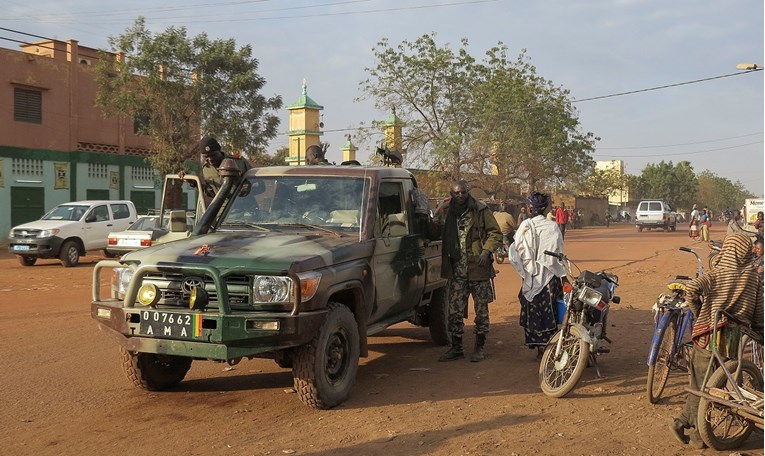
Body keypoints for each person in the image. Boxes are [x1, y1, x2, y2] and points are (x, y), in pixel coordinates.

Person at [670, 233, 764, 449]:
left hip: (708, 335)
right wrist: (759, 332)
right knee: (715, 385)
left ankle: (687, 425)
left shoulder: (717, 273)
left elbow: (691, 289)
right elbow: (759, 312)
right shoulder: (752, 277)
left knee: (701, 383)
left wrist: (699, 311)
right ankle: (692, 429)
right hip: (732, 339)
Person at [431, 180, 502, 363]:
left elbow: (495, 233)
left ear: (467, 192)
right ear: (451, 193)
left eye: (463, 192)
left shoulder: (480, 209)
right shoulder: (445, 210)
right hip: (456, 270)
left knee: (481, 313)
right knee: (454, 312)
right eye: (456, 193)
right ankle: (456, 348)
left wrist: (486, 251)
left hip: (478, 268)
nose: (460, 196)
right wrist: (423, 217)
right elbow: (434, 230)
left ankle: (479, 347)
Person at [508, 191, 567, 359]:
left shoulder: (524, 227)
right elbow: (558, 254)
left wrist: (526, 270)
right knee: (550, 310)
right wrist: (563, 277)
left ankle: (540, 348)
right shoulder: (552, 227)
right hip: (549, 277)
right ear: (546, 208)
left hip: (530, 277)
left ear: (529, 208)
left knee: (533, 310)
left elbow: (515, 253)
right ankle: (548, 347)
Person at [180, 136, 250, 204]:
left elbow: (257, 182)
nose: (210, 159)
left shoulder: (238, 162)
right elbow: (211, 193)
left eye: (213, 155)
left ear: (219, 150)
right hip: (223, 212)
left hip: (244, 209)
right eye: (206, 157)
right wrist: (193, 183)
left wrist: (245, 189)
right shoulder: (206, 169)